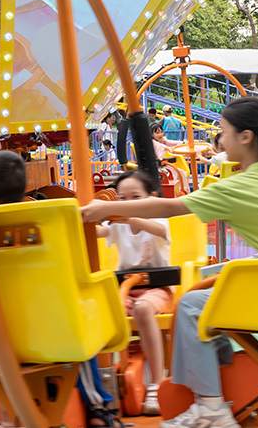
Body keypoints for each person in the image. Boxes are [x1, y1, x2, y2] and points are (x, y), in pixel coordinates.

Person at [79, 97, 258, 428]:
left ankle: (211, 405)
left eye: (224, 132)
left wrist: (106, 209)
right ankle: (218, 378)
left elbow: (171, 207)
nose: (221, 139)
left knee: (189, 306)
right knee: (199, 298)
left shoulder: (243, 185)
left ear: (245, 137)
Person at [94, 169, 172, 414]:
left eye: (136, 198)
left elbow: (159, 230)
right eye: (123, 199)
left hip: (157, 288)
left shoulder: (158, 220)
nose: (128, 204)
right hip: (126, 289)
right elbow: (97, 232)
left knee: (142, 310)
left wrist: (127, 217)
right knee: (99, 312)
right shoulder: (117, 225)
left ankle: (156, 383)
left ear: (152, 197)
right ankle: (104, 381)